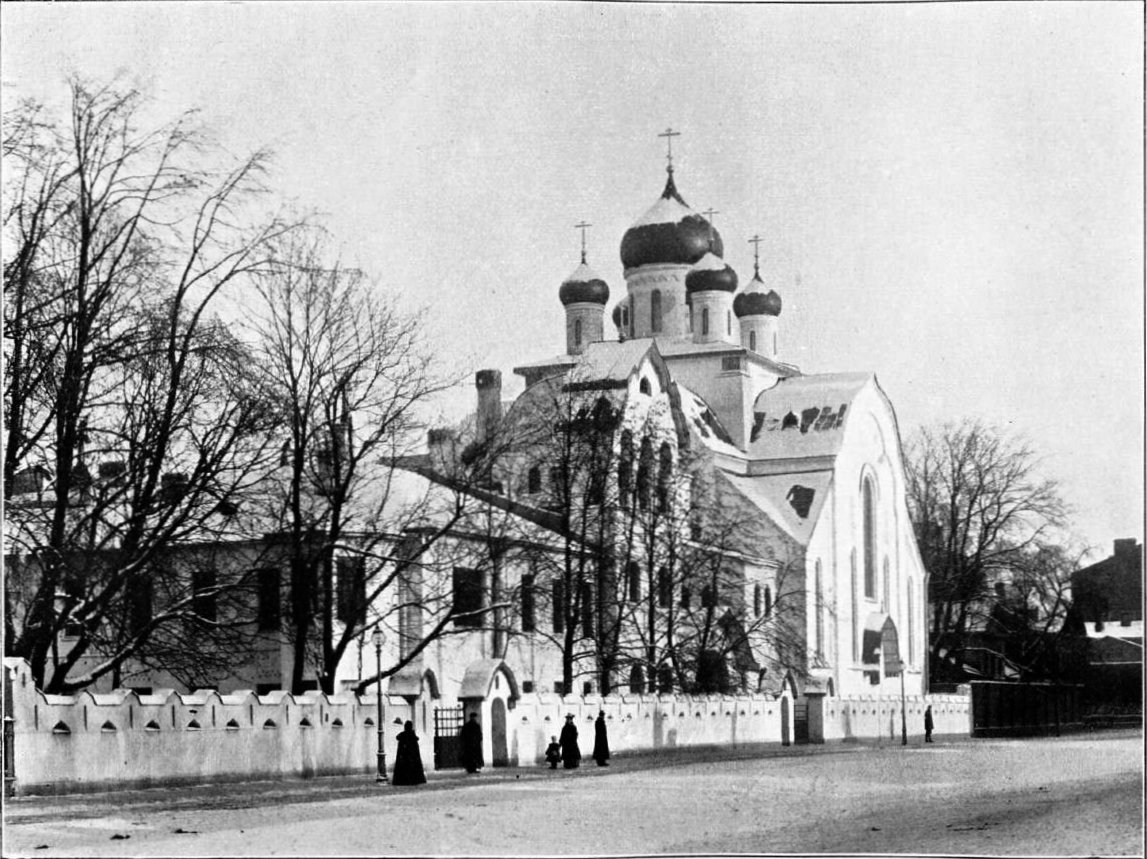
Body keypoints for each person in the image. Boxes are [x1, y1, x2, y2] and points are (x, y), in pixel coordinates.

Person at [391, 721, 427, 785]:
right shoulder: (412, 735)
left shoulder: (403, 735)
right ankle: (413, 780)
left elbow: (398, 738)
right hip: (412, 757)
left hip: (404, 756)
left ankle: (403, 780)